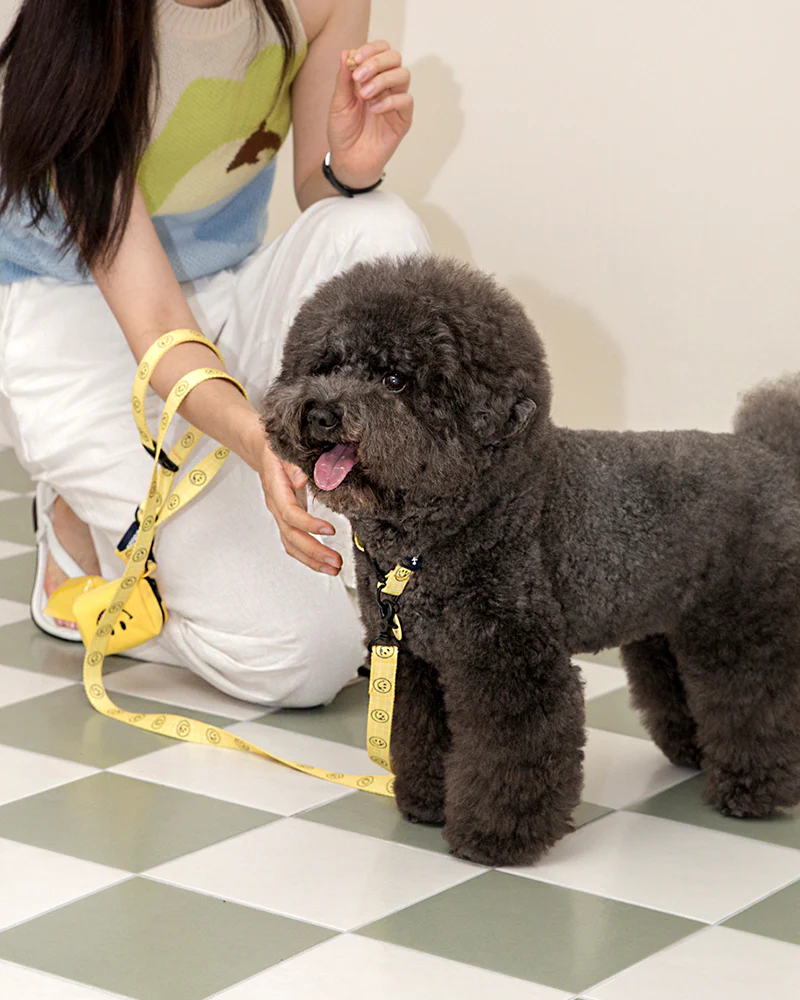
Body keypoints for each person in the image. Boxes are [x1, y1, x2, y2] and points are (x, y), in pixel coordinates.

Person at [0, 0, 431, 707]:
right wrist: (259, 442)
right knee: (311, 655)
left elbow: (316, 188)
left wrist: (349, 169)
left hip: (228, 285)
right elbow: (156, 320)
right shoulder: (74, 18)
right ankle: (92, 547)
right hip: (71, 319)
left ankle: (176, 521)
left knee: (379, 225)